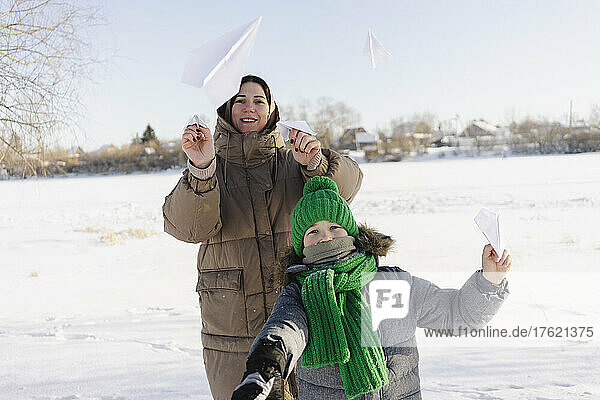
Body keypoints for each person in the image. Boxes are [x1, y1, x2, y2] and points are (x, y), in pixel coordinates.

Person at [162, 75, 363, 400]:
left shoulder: (293, 160)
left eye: (259, 100)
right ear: (226, 109)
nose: (249, 107)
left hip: (306, 321)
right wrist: (201, 170)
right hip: (231, 331)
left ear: (272, 110)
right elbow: (187, 227)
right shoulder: (211, 166)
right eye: (240, 100)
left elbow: (344, 194)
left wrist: (315, 164)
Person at [232, 176, 512, 400]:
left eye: (334, 227)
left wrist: (490, 280)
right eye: (312, 231)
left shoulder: (394, 284)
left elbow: (458, 313)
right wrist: (266, 365)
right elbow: (284, 329)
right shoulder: (300, 293)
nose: (325, 237)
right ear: (301, 245)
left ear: (351, 233)